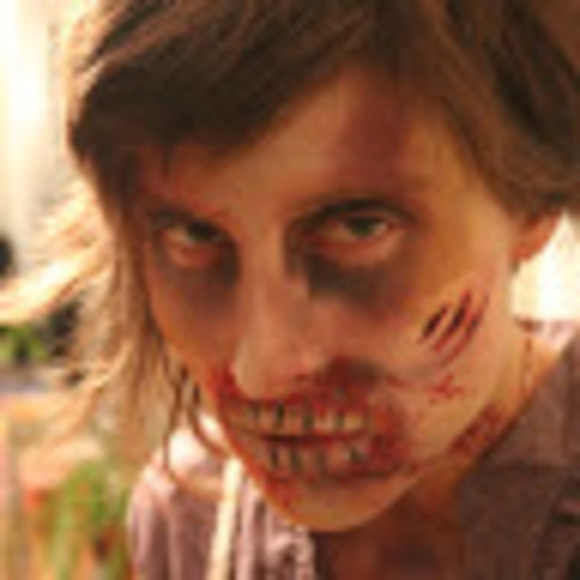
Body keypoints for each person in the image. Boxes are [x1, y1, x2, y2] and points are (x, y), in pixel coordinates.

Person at [2, 0, 579, 578]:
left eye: (359, 226)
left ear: (532, 201)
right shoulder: (189, 519)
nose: (262, 374)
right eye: (194, 235)